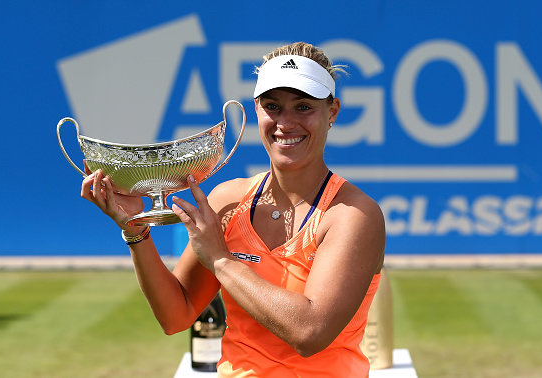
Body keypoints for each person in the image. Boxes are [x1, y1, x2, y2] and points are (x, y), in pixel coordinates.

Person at [81, 41, 386, 377]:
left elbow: (309, 332)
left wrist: (221, 261)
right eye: (273, 106)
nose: (285, 123)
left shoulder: (354, 215)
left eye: (303, 107)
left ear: (332, 112)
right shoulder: (228, 199)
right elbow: (176, 315)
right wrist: (136, 230)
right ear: (256, 110)